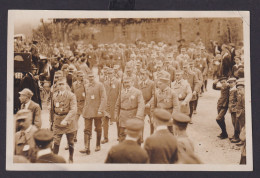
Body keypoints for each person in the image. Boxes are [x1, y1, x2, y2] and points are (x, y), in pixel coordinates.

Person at [80, 71, 107, 154]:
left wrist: (101, 109)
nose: (90, 78)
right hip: (88, 111)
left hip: (97, 111)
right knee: (87, 129)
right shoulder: (86, 86)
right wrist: (83, 109)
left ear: (95, 77)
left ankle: (98, 145)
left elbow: (104, 98)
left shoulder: (100, 85)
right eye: (89, 77)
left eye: (92, 77)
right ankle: (86, 147)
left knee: (98, 128)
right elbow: (85, 98)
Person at [52, 77, 77, 163]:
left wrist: (66, 120)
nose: (61, 86)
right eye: (59, 84)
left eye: (63, 84)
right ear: (57, 85)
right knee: (56, 142)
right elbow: (52, 110)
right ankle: (55, 160)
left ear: (66, 84)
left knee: (70, 141)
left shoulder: (71, 95)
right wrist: (51, 121)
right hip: (58, 121)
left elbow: (73, 109)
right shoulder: (54, 95)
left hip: (68, 122)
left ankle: (70, 157)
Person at [114, 75, 145, 142]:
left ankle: (136, 150)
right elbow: (117, 104)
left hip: (133, 115)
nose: (126, 84)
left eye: (128, 82)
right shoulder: (121, 92)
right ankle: (122, 151)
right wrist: (116, 113)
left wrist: (138, 116)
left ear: (132, 82)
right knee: (122, 134)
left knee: (135, 134)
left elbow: (141, 105)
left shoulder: (137, 92)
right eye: (125, 82)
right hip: (123, 116)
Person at [102, 68, 121, 144]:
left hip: (115, 104)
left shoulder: (118, 82)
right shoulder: (105, 82)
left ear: (114, 73)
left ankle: (119, 136)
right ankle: (105, 138)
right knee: (105, 121)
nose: (109, 75)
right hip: (107, 104)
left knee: (117, 120)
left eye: (111, 73)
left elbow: (120, 94)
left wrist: (118, 104)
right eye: (108, 73)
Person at [137, 69, 155, 135]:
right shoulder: (140, 84)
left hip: (150, 105)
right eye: (141, 75)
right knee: (140, 121)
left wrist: (149, 103)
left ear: (147, 75)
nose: (142, 76)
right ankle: (141, 137)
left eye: (143, 75)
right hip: (142, 105)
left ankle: (152, 136)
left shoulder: (152, 83)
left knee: (152, 121)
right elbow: (138, 95)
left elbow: (154, 96)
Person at [71, 71, 86, 142]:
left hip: (84, 104)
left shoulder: (85, 84)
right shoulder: (74, 84)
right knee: (75, 121)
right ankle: (74, 136)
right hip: (76, 104)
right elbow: (71, 93)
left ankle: (88, 134)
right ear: (77, 77)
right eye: (80, 76)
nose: (82, 77)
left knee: (87, 120)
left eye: (82, 76)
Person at [227, 78, 240, 143]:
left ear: (235, 82)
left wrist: (235, 107)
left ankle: (237, 137)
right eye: (229, 83)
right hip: (232, 109)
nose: (230, 84)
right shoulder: (231, 89)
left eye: (231, 82)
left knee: (236, 123)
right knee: (234, 122)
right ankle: (236, 135)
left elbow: (237, 100)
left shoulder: (235, 90)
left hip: (235, 109)